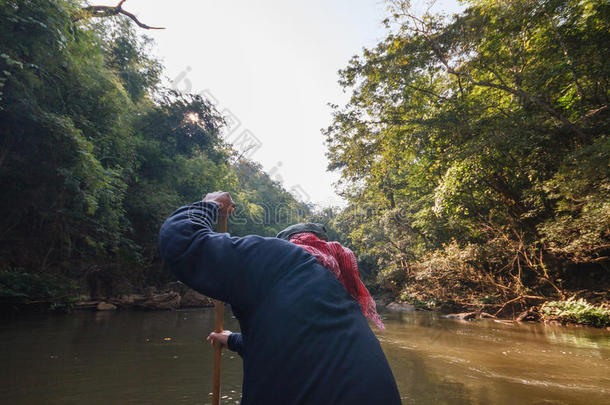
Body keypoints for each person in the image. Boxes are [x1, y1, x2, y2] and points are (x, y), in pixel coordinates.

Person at [158, 191, 401, 405]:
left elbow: (182, 240)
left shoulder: (281, 260)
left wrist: (210, 204)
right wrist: (232, 340)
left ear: (287, 245)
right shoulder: (338, 294)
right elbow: (291, 341)